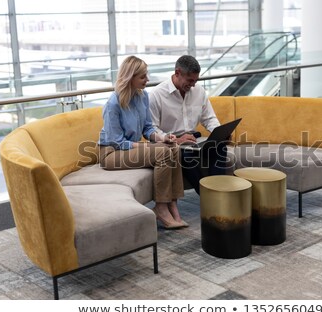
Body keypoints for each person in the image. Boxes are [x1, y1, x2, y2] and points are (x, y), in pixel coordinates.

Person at [98, 56, 188, 229]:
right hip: (111, 153)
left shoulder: (142, 96)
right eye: (142, 77)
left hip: (129, 148)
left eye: (146, 75)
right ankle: (161, 207)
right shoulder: (113, 104)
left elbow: (147, 128)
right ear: (130, 78)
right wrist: (149, 146)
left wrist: (162, 138)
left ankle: (172, 205)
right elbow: (117, 142)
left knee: (173, 147)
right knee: (162, 152)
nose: (147, 80)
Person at [149, 55, 228, 194]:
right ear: (177, 73)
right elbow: (152, 130)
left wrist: (220, 132)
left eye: (196, 80)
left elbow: (209, 118)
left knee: (219, 147)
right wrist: (177, 140)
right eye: (190, 80)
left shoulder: (198, 91)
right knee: (186, 157)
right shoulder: (156, 95)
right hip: (170, 143)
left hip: (193, 139)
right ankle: (207, 195)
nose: (193, 85)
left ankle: (219, 191)